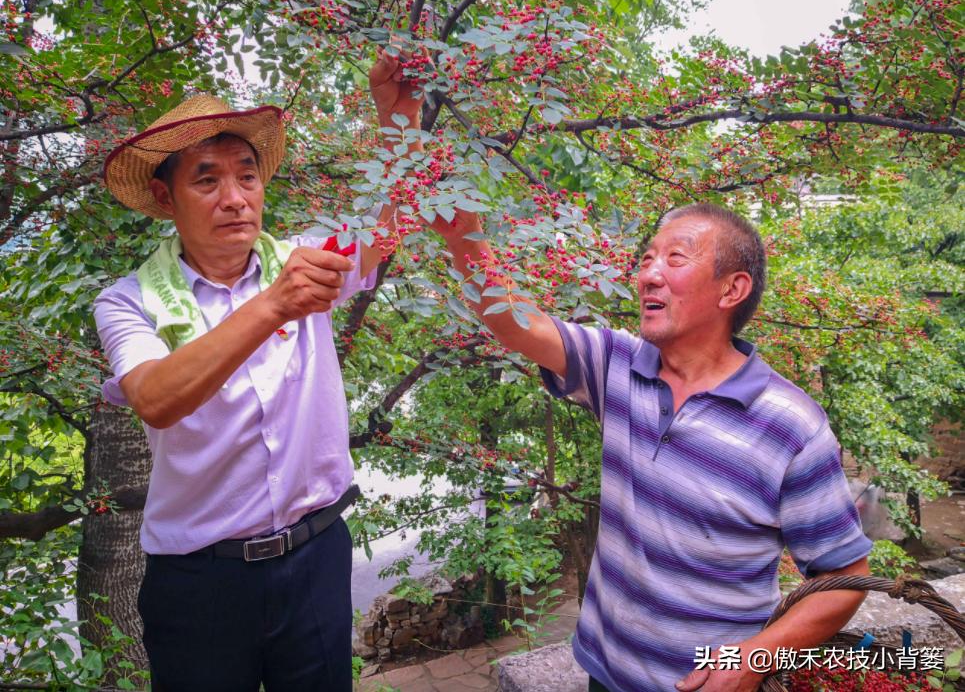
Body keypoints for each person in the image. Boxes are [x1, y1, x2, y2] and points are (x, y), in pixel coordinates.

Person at [427, 202, 872, 692]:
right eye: (646, 260)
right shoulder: (616, 366)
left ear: (732, 289)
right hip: (605, 672)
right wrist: (464, 237)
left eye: (675, 258)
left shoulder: (792, 426)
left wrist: (754, 659)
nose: (648, 276)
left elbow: (845, 578)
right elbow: (516, 324)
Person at [93, 51, 422, 691]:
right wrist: (274, 304)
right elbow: (156, 398)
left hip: (316, 556)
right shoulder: (129, 301)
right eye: (207, 181)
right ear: (164, 196)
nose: (235, 199)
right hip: (198, 582)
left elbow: (390, 228)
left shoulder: (305, 259)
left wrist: (400, 117)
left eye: (247, 177)